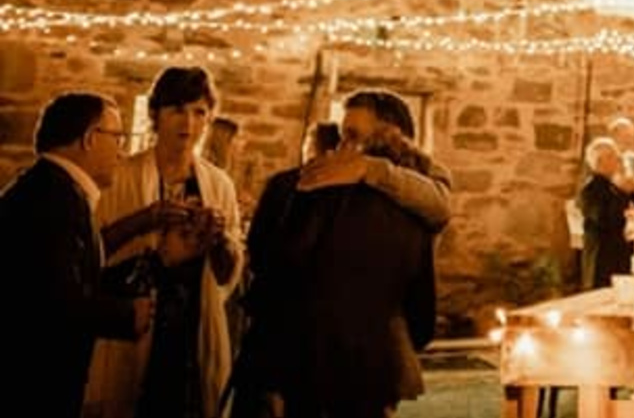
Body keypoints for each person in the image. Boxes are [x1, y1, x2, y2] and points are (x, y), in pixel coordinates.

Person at [235, 106, 451, 417]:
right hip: (361, 358)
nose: (342, 144)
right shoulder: (308, 186)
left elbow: (272, 264)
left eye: (352, 135)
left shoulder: (421, 194)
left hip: (326, 352)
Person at [88, 65, 244, 418]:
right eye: (177, 110)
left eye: (198, 112)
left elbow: (227, 276)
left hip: (189, 330)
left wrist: (219, 239)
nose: (188, 122)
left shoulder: (218, 185)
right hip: (132, 322)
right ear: (156, 114)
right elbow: (92, 252)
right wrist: (147, 219)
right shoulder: (121, 176)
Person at [0, 92, 153, 418]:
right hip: (32, 385)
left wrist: (157, 262)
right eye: (117, 138)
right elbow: (56, 303)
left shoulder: (53, 188)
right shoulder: (54, 200)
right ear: (88, 138)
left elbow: (70, 276)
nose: (122, 151)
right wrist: (128, 315)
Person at [578, 137, 634, 289]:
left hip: (618, 255)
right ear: (599, 162)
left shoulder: (612, 186)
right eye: (612, 156)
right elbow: (604, 218)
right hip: (601, 259)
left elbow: (632, 204)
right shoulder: (592, 189)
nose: (618, 159)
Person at [609, 116, 634, 197]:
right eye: (626, 136)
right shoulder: (601, 159)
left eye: (631, 136)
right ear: (614, 136)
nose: (630, 141)